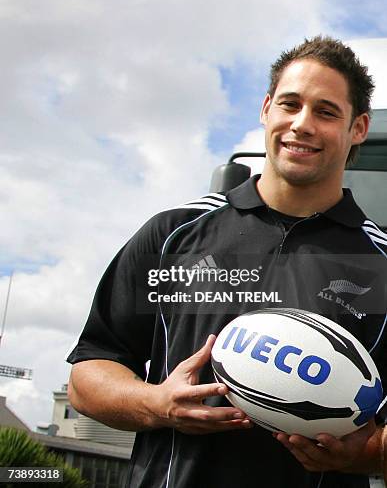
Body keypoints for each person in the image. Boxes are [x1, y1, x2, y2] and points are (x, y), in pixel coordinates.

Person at [67, 36, 387, 488]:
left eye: (326, 111)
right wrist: (158, 403)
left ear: (358, 128)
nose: (302, 124)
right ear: (266, 108)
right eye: (290, 104)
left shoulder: (380, 264)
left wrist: (368, 452)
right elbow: (87, 377)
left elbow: (377, 444)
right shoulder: (172, 236)